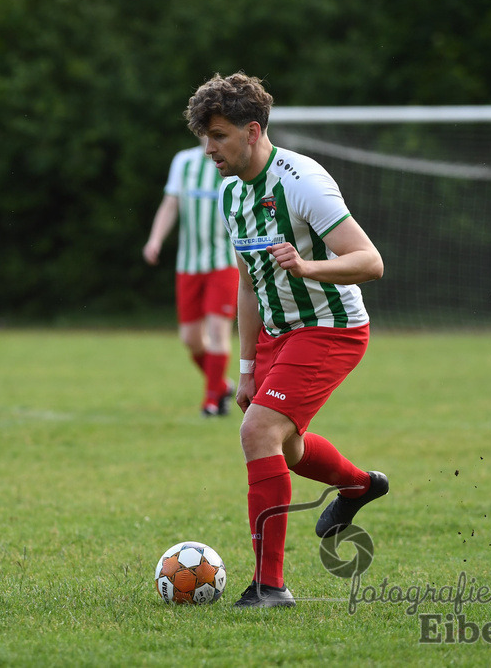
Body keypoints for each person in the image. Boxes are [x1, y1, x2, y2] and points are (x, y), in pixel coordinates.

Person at [184, 72, 389, 608]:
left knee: (257, 434)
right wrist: (247, 367)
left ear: (253, 131)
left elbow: (370, 262)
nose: (210, 149)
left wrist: (308, 266)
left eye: (220, 135)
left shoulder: (302, 180)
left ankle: (270, 585)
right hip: (278, 334)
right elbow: (249, 285)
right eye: (206, 137)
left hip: (330, 329)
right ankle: (359, 486)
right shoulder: (231, 194)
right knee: (287, 445)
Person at [143, 137, 238, 416]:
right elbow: (170, 204)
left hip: (224, 261)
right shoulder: (183, 162)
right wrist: (155, 240)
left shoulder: (233, 164)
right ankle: (221, 384)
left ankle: (211, 402)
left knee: (218, 332)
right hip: (188, 264)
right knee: (190, 339)